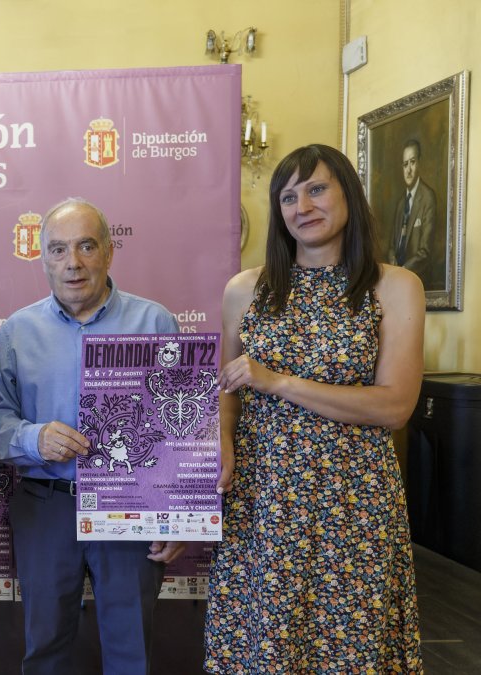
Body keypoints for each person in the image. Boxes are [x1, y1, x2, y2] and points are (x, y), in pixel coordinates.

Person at [205, 144, 423, 672]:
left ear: (348, 191)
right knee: (261, 637)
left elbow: (394, 407)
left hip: (353, 499)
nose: (302, 205)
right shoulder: (244, 290)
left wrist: (278, 381)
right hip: (265, 496)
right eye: (287, 197)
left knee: (350, 646)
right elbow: (228, 392)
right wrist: (223, 443)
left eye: (317, 188)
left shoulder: (394, 286)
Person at [0, 198, 185, 675]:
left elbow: (183, 432)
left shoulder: (155, 323)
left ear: (109, 252)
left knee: (131, 649)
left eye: (85, 246)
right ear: (43, 259)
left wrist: (180, 514)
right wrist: (33, 438)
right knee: (45, 650)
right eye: (58, 250)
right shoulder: (16, 332)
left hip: (132, 507)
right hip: (46, 505)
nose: (72, 263)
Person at [388, 138, 436, 281]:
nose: (408, 170)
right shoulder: (401, 203)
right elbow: (391, 247)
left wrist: (401, 272)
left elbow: (425, 251)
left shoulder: (428, 197)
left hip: (418, 281)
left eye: (412, 162)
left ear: (419, 163)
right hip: (397, 279)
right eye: (405, 164)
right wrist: (392, 263)